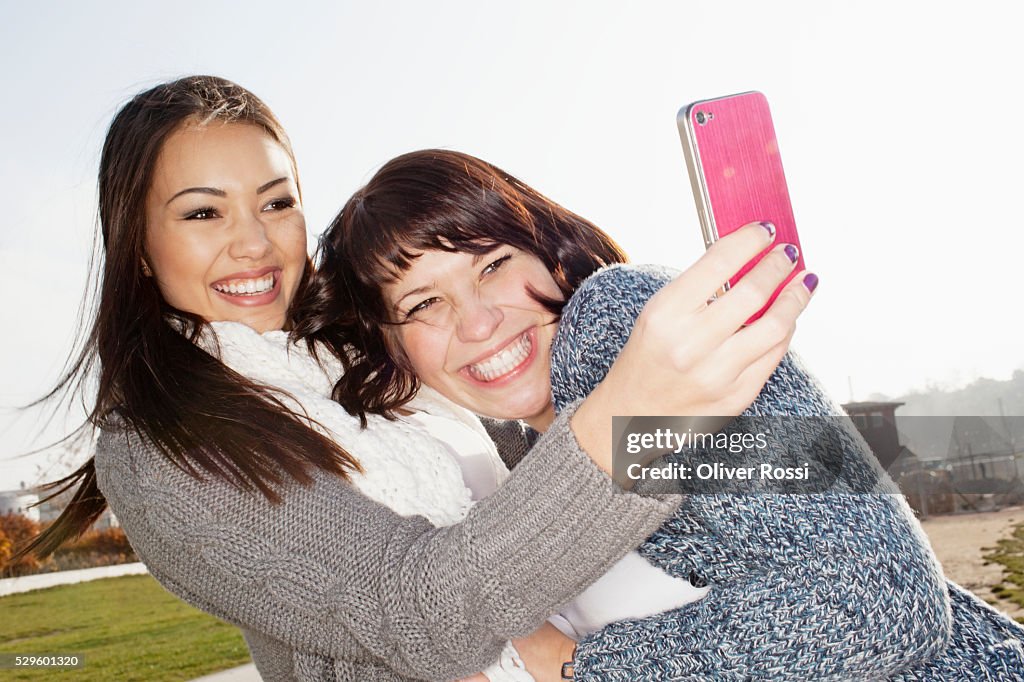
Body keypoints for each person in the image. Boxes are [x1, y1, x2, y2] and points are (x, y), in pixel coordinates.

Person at [13, 76, 822, 682]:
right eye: (203, 213)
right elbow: (417, 613)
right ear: (139, 242)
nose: (253, 244)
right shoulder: (161, 443)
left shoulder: (369, 357)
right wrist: (637, 417)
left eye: (277, 202)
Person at [305, 148, 1024, 679]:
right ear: (393, 351)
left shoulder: (621, 328)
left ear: (552, 254)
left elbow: (877, 598)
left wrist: (575, 669)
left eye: (491, 264)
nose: (477, 322)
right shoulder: (522, 466)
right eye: (424, 305)